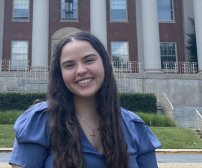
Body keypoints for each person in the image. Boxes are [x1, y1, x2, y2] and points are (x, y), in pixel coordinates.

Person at [9, 31, 161, 168]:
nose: (81, 70)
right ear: (60, 75)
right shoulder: (40, 121)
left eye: (89, 60)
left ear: (104, 64)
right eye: (69, 65)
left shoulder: (134, 127)